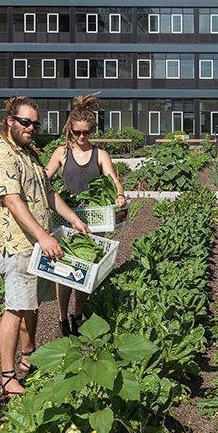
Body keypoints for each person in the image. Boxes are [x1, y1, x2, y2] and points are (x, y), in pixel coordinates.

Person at [0, 95, 91, 397]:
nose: (31, 127)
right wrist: (43, 236)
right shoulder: (1, 155)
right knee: (16, 308)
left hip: (37, 245)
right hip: (18, 245)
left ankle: (28, 359)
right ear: (10, 121)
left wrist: (73, 220)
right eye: (25, 122)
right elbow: (13, 201)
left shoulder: (28, 152)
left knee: (31, 306)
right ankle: (6, 377)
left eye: (35, 123)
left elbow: (49, 192)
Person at [45, 93, 126, 337]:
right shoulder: (61, 153)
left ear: (91, 131)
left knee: (84, 270)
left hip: (92, 221)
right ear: (70, 130)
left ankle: (77, 314)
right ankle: (62, 317)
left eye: (87, 132)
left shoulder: (100, 154)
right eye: (77, 132)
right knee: (64, 272)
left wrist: (119, 196)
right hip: (67, 219)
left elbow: (113, 180)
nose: (82, 137)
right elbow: (44, 177)